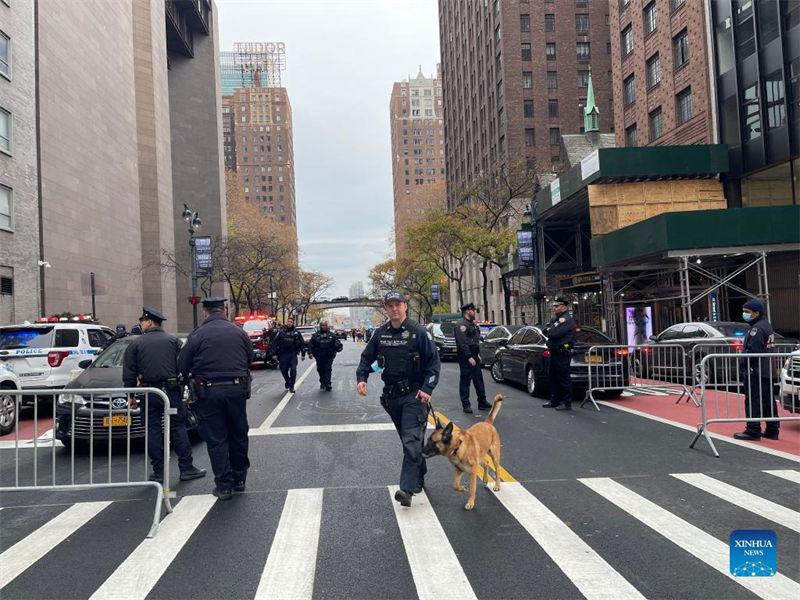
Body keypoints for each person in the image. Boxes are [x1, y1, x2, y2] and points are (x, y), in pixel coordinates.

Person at [356, 291, 440, 507]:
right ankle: (419, 473)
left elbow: (433, 364)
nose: (394, 308)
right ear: (386, 309)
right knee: (408, 441)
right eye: (390, 305)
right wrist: (362, 378)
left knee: (411, 441)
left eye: (398, 304)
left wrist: (427, 388)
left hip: (414, 395)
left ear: (405, 307)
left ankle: (406, 490)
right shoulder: (380, 334)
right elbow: (367, 358)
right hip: (392, 398)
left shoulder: (418, 332)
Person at [178, 297, 253, 500]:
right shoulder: (239, 331)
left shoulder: (197, 334)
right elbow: (249, 358)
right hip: (237, 390)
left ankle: (224, 485)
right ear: (225, 310)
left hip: (208, 392)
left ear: (205, 312)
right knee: (238, 434)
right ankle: (240, 479)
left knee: (216, 439)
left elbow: (183, 364)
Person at [122, 307, 205, 484]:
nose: (140, 324)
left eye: (142, 321)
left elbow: (129, 373)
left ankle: (159, 471)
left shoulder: (135, 344)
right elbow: (184, 366)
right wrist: (184, 387)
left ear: (150, 322)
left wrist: (131, 396)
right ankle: (186, 467)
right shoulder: (174, 341)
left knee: (153, 431)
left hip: (148, 393)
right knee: (178, 428)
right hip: (171, 392)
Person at [734, 298, 779, 441]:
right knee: (767, 400)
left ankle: (753, 429)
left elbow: (752, 351)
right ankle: (772, 429)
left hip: (756, 370)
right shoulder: (766, 325)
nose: (744, 314)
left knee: (754, 400)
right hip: (767, 369)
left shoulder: (757, 329)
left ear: (757, 312)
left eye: (747, 312)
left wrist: (743, 365)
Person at [542, 298, 577, 411]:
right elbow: (545, 330)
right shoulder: (556, 319)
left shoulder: (566, 320)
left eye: (557, 306)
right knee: (553, 377)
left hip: (562, 353)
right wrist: (549, 330)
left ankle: (566, 402)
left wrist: (549, 330)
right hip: (555, 351)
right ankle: (555, 400)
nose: (554, 308)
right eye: (554, 306)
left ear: (564, 307)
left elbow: (553, 334)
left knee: (563, 378)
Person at [454, 302, 489, 414]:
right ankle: (466, 404)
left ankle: (482, 402)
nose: (474, 312)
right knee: (465, 380)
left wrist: (477, 354)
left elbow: (475, 339)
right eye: (472, 310)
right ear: (467, 311)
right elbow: (462, 343)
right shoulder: (461, 324)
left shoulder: (471, 323)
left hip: (474, 354)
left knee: (478, 379)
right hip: (466, 356)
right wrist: (469, 356)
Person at [273, 316, 306, 393]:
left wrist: (303, 354)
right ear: (286, 322)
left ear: (293, 323)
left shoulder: (297, 333)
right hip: (283, 354)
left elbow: (302, 343)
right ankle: (287, 381)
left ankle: (292, 386)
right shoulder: (281, 332)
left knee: (293, 370)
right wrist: (274, 354)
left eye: (291, 322)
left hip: (293, 354)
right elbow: (275, 343)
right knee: (283, 370)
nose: (289, 323)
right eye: (288, 322)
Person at [308, 320, 343, 391]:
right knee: (320, 370)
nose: (323, 327)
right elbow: (311, 345)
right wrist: (310, 353)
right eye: (322, 325)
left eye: (325, 325)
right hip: (319, 356)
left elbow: (337, 343)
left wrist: (338, 348)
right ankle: (322, 382)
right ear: (320, 326)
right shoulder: (316, 335)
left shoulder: (332, 335)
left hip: (329, 356)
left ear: (327, 326)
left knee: (328, 369)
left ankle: (328, 384)